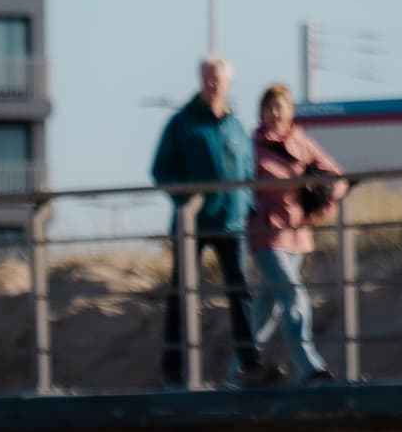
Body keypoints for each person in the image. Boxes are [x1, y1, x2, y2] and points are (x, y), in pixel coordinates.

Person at [149, 55, 259, 386]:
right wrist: (187, 201)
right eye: (207, 78)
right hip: (193, 225)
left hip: (231, 223)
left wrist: (248, 204)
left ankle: (251, 364)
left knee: (240, 292)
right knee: (181, 295)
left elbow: (247, 170)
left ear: (228, 83)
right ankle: (174, 369)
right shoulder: (182, 123)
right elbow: (161, 169)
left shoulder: (235, 124)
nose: (212, 84)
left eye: (218, 79)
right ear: (200, 79)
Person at [244, 82, 348, 383]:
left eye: (281, 106)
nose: (276, 113)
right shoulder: (252, 144)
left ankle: (239, 369)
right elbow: (239, 180)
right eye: (270, 107)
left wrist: (322, 205)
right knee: (292, 294)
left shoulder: (302, 142)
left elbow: (336, 176)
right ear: (262, 112)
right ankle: (309, 366)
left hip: (297, 233)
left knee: (269, 305)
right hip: (266, 233)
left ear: (290, 111)